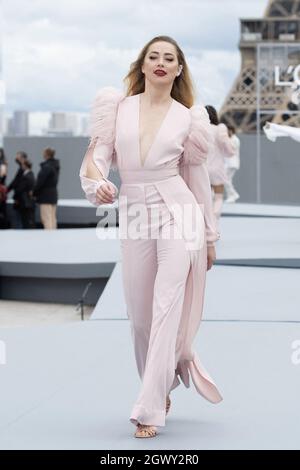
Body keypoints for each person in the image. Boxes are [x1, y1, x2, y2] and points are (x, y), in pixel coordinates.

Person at [79, 35, 223, 439]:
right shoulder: (117, 109)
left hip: (180, 213)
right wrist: (99, 185)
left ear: (179, 70)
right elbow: (96, 158)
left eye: (169, 58)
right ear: (142, 66)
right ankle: (160, 380)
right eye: (153, 56)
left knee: (165, 307)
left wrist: (209, 236)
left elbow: (195, 178)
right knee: (141, 318)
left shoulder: (190, 119)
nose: (161, 62)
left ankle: (149, 405)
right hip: (136, 212)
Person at [205, 106, 235, 228]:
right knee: (218, 197)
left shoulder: (199, 129)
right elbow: (229, 151)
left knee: (204, 198)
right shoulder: (220, 129)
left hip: (202, 169)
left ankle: (204, 223)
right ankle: (214, 222)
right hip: (217, 168)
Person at [33, 147, 60, 229]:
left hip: (45, 197)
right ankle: (53, 237)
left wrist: (34, 192)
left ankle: (49, 238)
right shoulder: (55, 165)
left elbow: (40, 182)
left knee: (46, 218)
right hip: (53, 195)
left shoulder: (46, 167)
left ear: (47, 154)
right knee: (52, 218)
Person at [7, 151, 28, 228]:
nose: (16, 158)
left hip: (21, 198)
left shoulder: (23, 169)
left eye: (18, 156)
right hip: (20, 198)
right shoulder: (21, 169)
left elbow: (17, 183)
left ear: (23, 158)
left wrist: (7, 190)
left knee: (19, 220)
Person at [14, 159, 36, 229]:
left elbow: (20, 189)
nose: (22, 166)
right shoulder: (31, 174)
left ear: (26, 166)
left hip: (25, 202)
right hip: (28, 202)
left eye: (23, 165)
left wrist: (15, 197)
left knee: (26, 222)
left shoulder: (26, 176)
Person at [224, 125, 240, 203]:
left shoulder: (235, 139)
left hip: (232, 163)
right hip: (228, 163)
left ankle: (233, 194)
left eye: (228, 131)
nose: (227, 132)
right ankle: (232, 196)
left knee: (226, 179)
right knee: (227, 180)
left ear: (231, 131)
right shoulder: (230, 139)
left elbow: (231, 149)